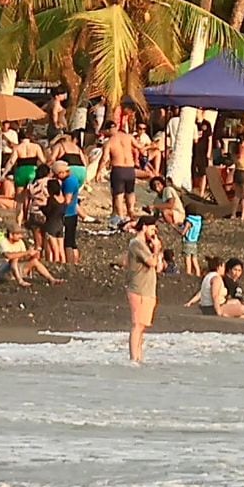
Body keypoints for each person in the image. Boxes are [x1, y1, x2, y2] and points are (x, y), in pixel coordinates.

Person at [124, 217, 162, 363]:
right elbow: (151, 262)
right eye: (152, 229)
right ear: (145, 227)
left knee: (142, 326)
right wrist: (156, 250)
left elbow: (158, 267)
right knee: (137, 324)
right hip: (138, 288)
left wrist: (156, 250)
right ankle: (134, 358)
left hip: (148, 290)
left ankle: (139, 357)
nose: (154, 233)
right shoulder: (136, 243)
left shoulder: (146, 245)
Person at [103, 126, 140, 222]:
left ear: (108, 130)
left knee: (118, 194)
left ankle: (121, 216)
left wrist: (99, 171)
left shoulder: (110, 141)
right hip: (130, 169)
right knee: (130, 191)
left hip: (118, 169)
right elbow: (140, 147)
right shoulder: (129, 137)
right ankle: (130, 211)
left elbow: (104, 158)